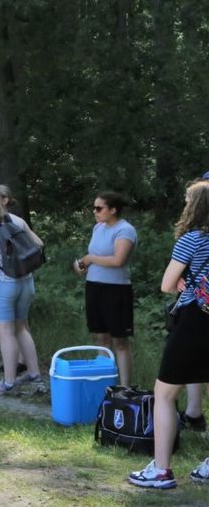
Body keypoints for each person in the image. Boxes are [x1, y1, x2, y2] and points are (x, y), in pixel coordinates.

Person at [128, 179, 209, 489]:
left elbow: (166, 284)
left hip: (193, 321)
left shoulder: (191, 239)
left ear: (195, 206)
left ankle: (161, 471)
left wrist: (183, 283)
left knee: (164, 394)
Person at [0, 189, 44, 394]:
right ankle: (34, 374)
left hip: (2, 285)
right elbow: (39, 244)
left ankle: (9, 381)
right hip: (26, 282)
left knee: (6, 334)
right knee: (22, 328)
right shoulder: (17, 221)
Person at [73, 191, 137, 386]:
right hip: (94, 287)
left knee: (119, 340)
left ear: (113, 210)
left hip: (116, 290)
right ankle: (105, 382)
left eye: (99, 208)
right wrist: (81, 265)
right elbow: (92, 255)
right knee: (101, 337)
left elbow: (118, 260)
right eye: (94, 208)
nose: (95, 211)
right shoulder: (98, 228)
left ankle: (124, 388)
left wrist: (90, 259)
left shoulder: (125, 230)